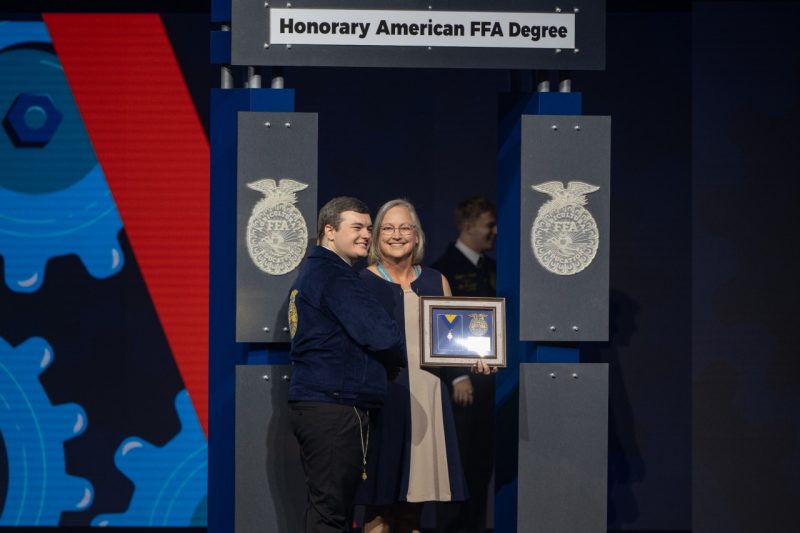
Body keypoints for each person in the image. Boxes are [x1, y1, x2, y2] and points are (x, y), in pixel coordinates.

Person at [356, 198, 493, 533]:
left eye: (405, 228)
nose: (397, 235)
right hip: (384, 399)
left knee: (413, 507)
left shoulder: (436, 281)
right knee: (379, 507)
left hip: (428, 399)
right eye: (388, 228)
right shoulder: (363, 283)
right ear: (376, 237)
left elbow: (454, 340)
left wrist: (478, 357)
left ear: (417, 236)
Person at [288, 196, 407, 533]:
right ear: (329, 231)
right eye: (356, 227)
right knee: (331, 514)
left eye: (369, 228)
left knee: (328, 510)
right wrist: (391, 361)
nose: (366, 235)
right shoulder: (334, 275)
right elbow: (383, 336)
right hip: (334, 407)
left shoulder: (318, 271)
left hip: (324, 405)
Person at [430, 197, 497, 533]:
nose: (494, 232)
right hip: (460, 388)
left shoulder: (490, 267)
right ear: (469, 226)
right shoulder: (445, 268)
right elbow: (441, 325)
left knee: (481, 462)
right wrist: (456, 376)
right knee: (457, 462)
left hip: (488, 381)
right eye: (489, 224)